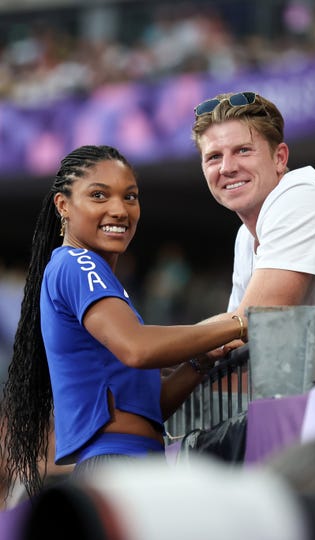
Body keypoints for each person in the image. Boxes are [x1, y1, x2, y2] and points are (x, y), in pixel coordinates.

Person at [0, 144, 246, 502]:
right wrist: (239, 323)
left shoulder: (101, 284)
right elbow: (138, 347)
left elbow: (147, 409)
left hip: (132, 461)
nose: (119, 209)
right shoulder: (77, 263)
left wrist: (200, 360)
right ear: (63, 205)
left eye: (130, 196)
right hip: (119, 465)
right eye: (99, 195)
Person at [191, 91, 315, 321]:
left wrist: (153, 347)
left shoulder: (301, 198)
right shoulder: (245, 237)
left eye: (243, 150)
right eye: (213, 157)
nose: (226, 168)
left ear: (280, 158)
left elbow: (253, 323)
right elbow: (236, 338)